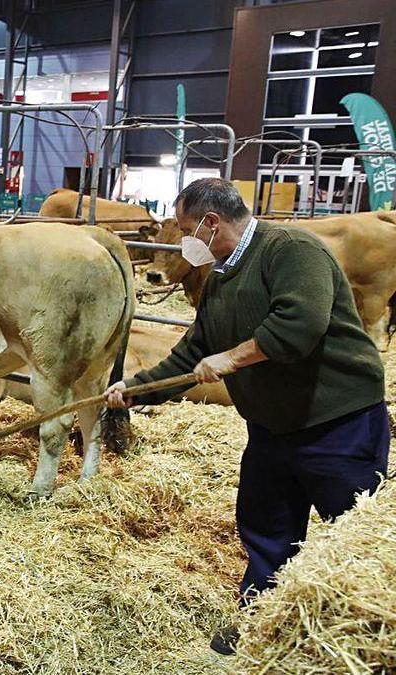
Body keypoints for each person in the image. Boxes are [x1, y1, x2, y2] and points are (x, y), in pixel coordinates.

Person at [103, 177, 389, 656]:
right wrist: (136, 391)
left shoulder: (292, 250)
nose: (184, 242)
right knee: (265, 527)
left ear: (212, 223)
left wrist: (232, 359)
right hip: (272, 426)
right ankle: (263, 621)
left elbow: (300, 325)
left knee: (350, 528)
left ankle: (360, 641)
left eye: (187, 229)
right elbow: (195, 350)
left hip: (336, 420)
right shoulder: (219, 278)